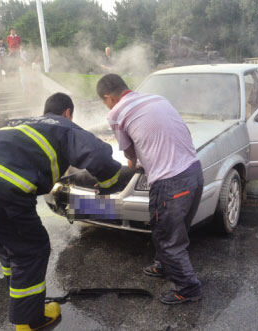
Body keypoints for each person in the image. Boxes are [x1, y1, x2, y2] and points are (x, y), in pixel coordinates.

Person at [0, 92, 122, 330]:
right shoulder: (64, 126)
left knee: (7, 242)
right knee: (32, 249)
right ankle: (30, 320)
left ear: (43, 112)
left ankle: (17, 286)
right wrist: (108, 185)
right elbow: (99, 155)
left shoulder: (19, 123)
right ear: (68, 113)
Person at [97, 74, 204, 305]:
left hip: (170, 183)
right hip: (194, 172)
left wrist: (130, 167)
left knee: (167, 238)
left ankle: (188, 287)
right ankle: (165, 266)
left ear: (108, 98)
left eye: (104, 101)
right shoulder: (157, 99)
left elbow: (129, 154)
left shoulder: (116, 113)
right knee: (176, 230)